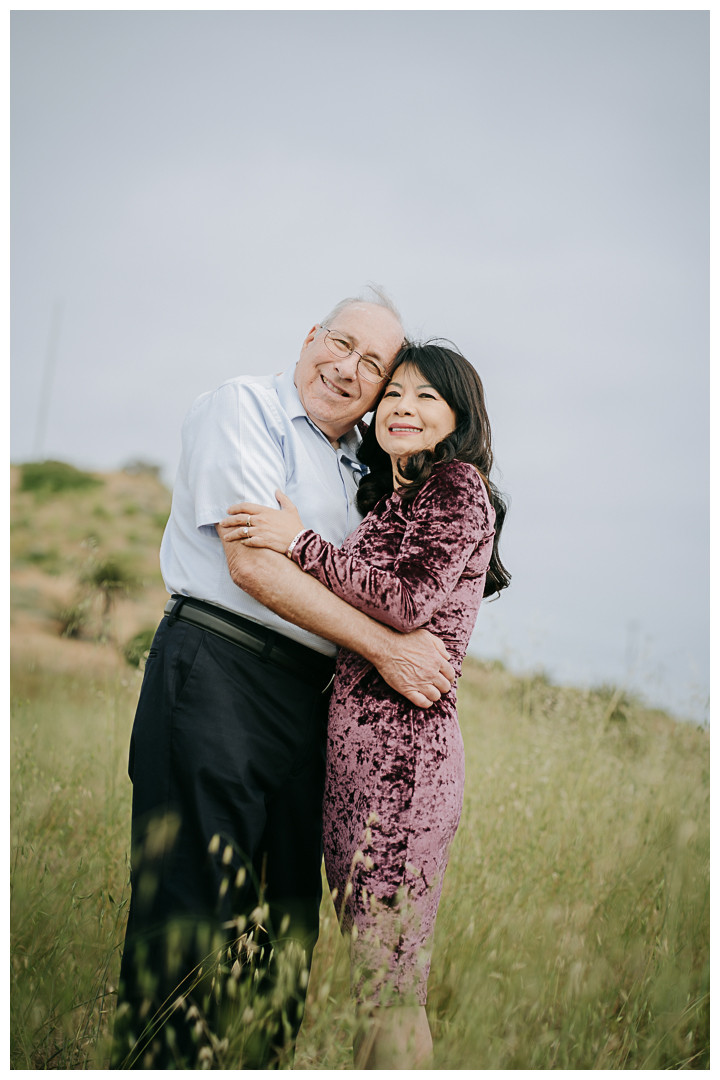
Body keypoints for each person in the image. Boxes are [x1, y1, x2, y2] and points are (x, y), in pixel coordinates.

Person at [111, 291, 457, 1070]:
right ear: (310, 337)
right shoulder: (244, 409)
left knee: (282, 934)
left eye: (374, 367)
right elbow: (254, 562)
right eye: (341, 345)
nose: (350, 369)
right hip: (218, 670)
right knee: (193, 914)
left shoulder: (362, 471)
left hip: (313, 703)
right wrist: (389, 648)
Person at [219, 341, 510, 1068]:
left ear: (460, 418)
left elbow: (409, 602)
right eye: (395, 394)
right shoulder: (399, 497)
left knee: (392, 988)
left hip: (404, 766)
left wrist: (299, 544)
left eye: (427, 399)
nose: (402, 409)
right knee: (372, 976)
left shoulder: (455, 486)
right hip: (358, 770)